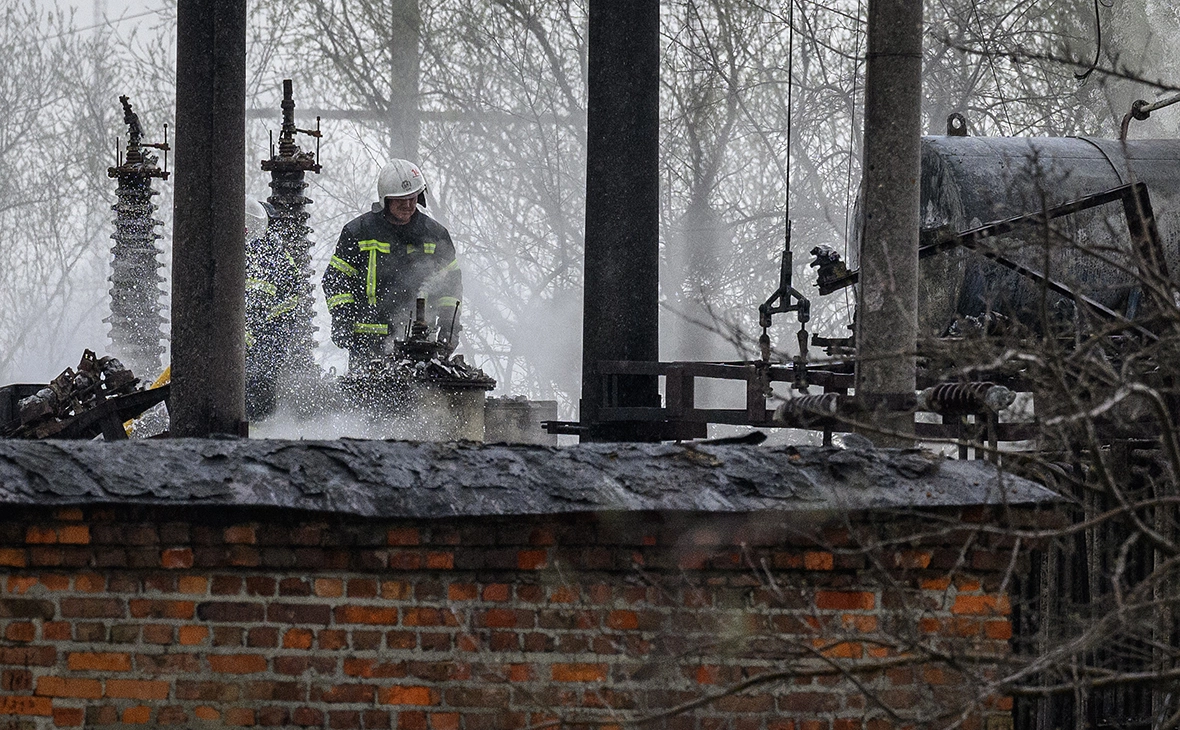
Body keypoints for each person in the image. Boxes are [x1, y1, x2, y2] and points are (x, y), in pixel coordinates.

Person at [322, 159, 462, 368]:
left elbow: (451, 286)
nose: (408, 205)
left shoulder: (435, 235)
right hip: (367, 344)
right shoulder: (358, 232)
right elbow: (336, 280)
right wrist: (342, 319)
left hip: (420, 345)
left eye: (412, 198)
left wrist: (449, 327)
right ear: (385, 200)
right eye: (400, 200)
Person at [244, 196, 302, 420]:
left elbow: (260, 308)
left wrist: (245, 340)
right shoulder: (238, 253)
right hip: (247, 344)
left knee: (257, 386)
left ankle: (257, 430)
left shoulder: (270, 258)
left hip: (265, 344)